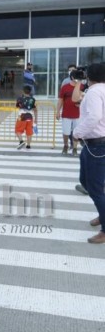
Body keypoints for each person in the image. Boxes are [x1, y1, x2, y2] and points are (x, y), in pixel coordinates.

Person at [73, 62, 105, 244]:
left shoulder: (94, 92)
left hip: (96, 144)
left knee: (94, 188)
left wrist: (77, 133)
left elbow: (94, 117)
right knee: (87, 181)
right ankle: (103, 214)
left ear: (89, 77)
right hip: (94, 144)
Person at [56, 71, 82, 156]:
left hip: (78, 114)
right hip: (66, 113)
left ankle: (74, 148)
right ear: (72, 77)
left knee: (76, 132)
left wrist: (81, 103)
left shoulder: (81, 86)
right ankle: (66, 145)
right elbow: (60, 100)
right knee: (66, 132)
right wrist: (57, 111)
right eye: (77, 76)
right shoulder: (65, 87)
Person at [15, 85, 38, 150]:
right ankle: (28, 145)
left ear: (23, 91)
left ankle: (21, 141)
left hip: (21, 116)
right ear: (30, 92)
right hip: (30, 117)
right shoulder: (33, 99)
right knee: (29, 131)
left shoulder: (19, 98)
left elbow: (17, 106)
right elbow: (35, 110)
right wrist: (36, 119)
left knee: (18, 129)